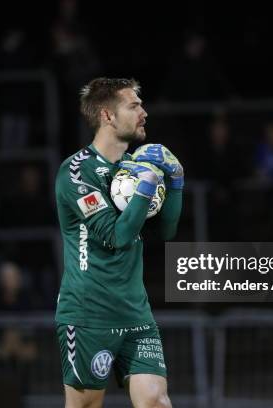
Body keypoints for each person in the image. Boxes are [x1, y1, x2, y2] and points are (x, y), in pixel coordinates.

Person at [54, 78, 183, 408]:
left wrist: (176, 182)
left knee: (156, 401)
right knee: (86, 405)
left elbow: (167, 233)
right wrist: (146, 186)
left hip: (136, 313)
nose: (144, 112)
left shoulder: (134, 169)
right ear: (107, 116)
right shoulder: (76, 172)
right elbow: (116, 236)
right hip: (88, 314)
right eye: (134, 105)